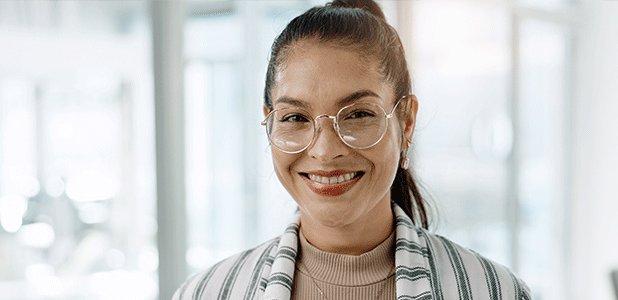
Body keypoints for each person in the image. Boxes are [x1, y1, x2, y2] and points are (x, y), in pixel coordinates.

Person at [173, 0, 531, 299]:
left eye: (358, 114)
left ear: (405, 124)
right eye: (296, 117)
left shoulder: (494, 291)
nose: (326, 151)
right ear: (269, 124)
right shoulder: (206, 293)